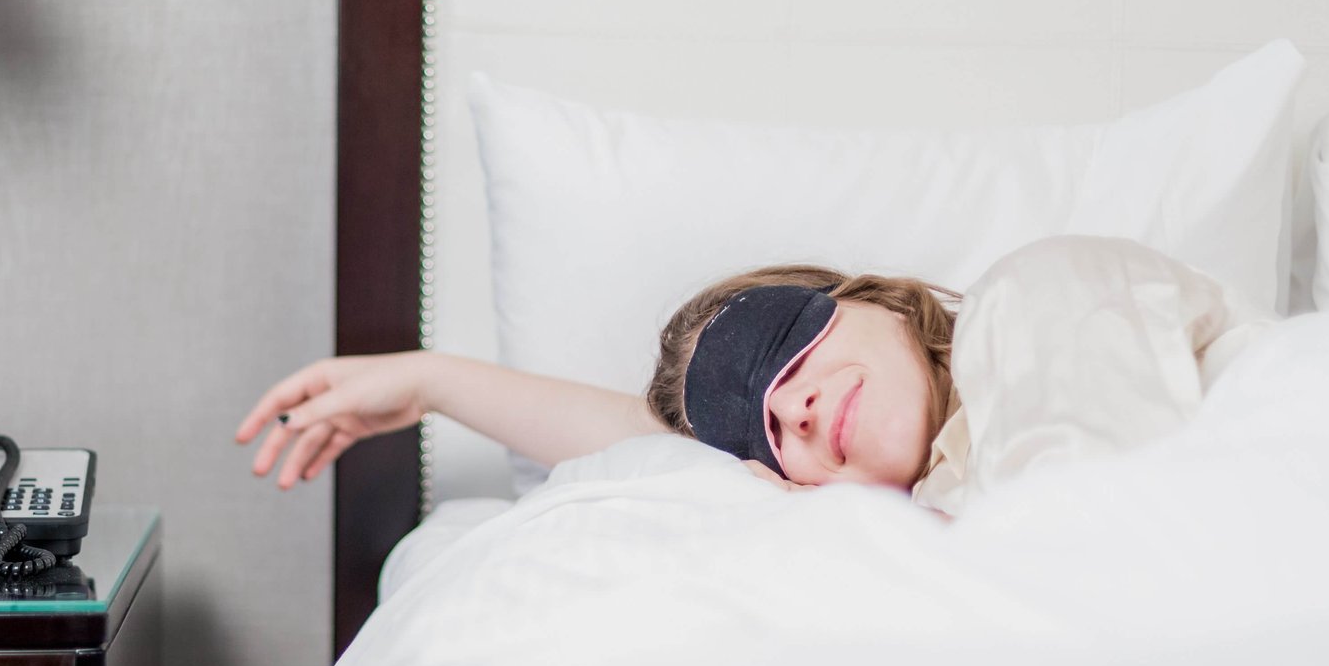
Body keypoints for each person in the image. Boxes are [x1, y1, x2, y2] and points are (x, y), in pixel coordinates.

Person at [236, 264, 959, 495]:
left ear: (881, 301)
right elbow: (656, 449)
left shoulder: (1039, 313)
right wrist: (431, 382)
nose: (794, 409)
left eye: (786, 341)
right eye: (763, 435)